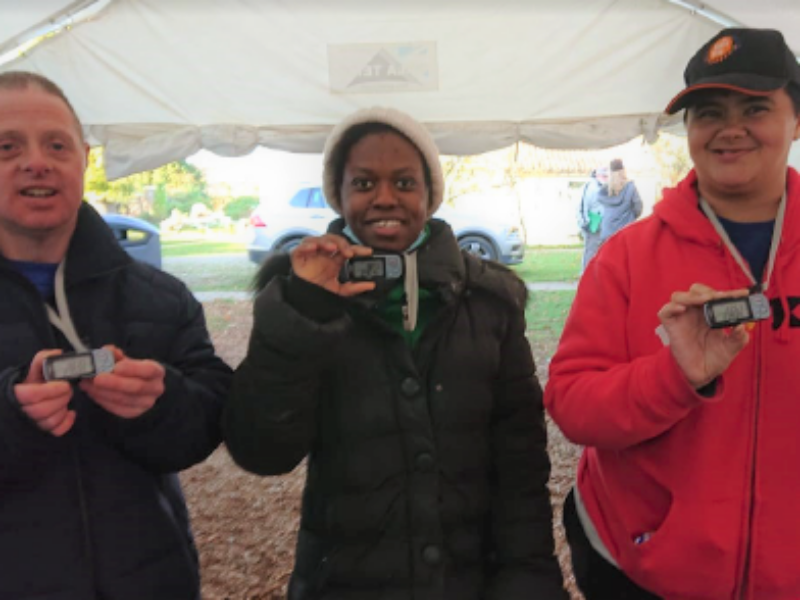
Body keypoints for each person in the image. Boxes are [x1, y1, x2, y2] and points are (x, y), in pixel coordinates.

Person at [224, 106, 567, 600]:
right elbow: (262, 451)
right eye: (363, 183)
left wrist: (528, 578)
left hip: (472, 581)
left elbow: (520, 464)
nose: (385, 198)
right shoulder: (301, 298)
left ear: (430, 194)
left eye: (404, 183)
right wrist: (303, 314)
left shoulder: (489, 302)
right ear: (338, 195)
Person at [545, 27, 800, 600]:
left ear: (797, 119)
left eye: (755, 108)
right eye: (709, 112)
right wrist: (674, 376)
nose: (730, 129)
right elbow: (572, 406)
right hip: (645, 574)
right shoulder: (627, 258)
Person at [0, 71, 232, 600]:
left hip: (151, 580)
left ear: (83, 158)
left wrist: (161, 399)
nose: (36, 161)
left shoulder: (161, 296)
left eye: (56, 145)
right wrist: (12, 416)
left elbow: (209, 421)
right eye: (7, 147)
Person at [576, 165, 609, 271]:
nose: (605, 176)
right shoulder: (589, 187)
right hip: (592, 225)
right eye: (602, 174)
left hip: (605, 227)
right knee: (590, 253)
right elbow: (581, 206)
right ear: (596, 174)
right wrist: (585, 223)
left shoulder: (606, 187)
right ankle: (585, 278)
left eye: (606, 174)